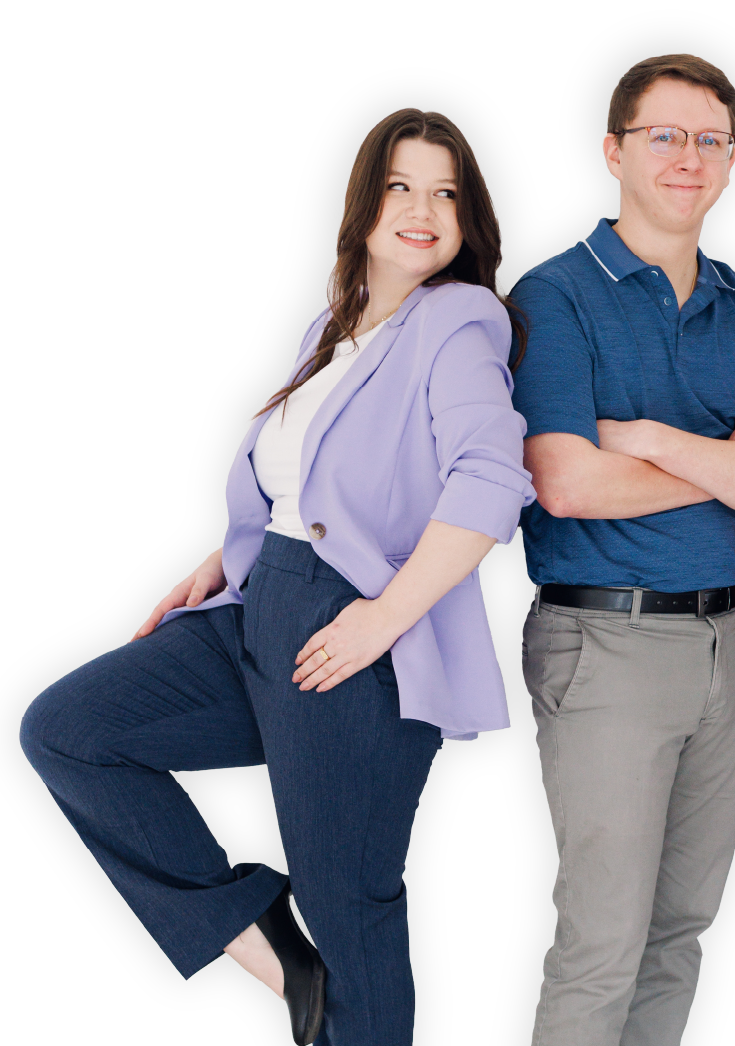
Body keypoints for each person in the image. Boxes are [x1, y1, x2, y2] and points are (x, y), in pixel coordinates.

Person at [19, 107, 534, 1046]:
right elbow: (304, 481)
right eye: (400, 187)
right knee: (67, 729)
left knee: (353, 906)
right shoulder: (331, 322)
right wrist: (220, 560)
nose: (423, 210)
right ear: (364, 204)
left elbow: (492, 481)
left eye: (447, 193)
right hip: (264, 605)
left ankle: (319, 966)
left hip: (355, 630)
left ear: (470, 219)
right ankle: (268, 946)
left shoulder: (460, 322)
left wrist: (383, 620)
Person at [507, 53, 735, 1046]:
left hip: (728, 642)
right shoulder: (554, 295)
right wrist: (731, 462)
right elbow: (566, 481)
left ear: (733, 163)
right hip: (605, 640)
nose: (689, 157)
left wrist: (649, 439)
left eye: (709, 140)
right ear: (613, 151)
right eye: (664, 136)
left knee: (683, 930)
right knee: (602, 940)